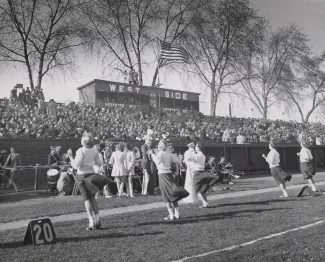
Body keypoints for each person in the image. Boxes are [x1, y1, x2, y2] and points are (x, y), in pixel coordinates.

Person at [68, 132, 104, 230]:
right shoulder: (94, 150)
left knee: (86, 199)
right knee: (92, 198)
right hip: (91, 174)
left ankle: (91, 221)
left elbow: (76, 165)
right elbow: (100, 163)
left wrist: (71, 157)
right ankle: (97, 220)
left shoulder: (80, 150)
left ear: (83, 141)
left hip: (82, 175)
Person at [151, 140, 189, 220]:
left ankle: (171, 215)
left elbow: (157, 162)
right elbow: (177, 161)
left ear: (159, 146)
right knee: (172, 194)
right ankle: (177, 214)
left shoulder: (159, 153)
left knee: (165, 194)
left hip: (162, 175)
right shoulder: (169, 154)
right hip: (169, 174)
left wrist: (153, 155)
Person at [188, 142, 220, 208]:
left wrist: (190, 149)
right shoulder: (202, 155)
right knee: (202, 190)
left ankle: (204, 202)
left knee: (197, 190)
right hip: (201, 172)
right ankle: (206, 203)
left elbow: (189, 158)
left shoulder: (198, 155)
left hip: (197, 173)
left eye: (196, 147)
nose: (195, 148)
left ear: (199, 148)